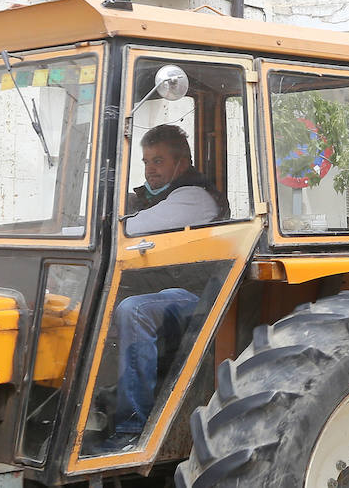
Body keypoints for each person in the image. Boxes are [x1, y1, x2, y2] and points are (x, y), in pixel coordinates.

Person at [95, 125, 222, 454]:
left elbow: (133, 228)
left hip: (197, 295)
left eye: (159, 161)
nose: (150, 169)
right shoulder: (159, 195)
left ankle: (132, 427)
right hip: (166, 288)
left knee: (134, 310)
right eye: (146, 161)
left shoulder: (193, 196)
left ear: (182, 164)